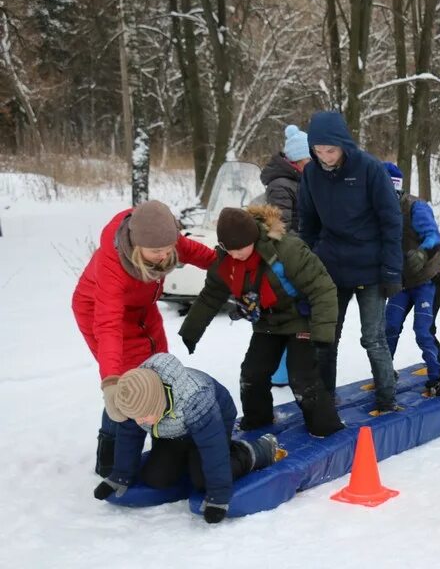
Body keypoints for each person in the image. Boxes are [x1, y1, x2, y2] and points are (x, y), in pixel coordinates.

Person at [72, 200, 216, 478]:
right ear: (136, 246)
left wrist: (230, 268)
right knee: (128, 384)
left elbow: (199, 254)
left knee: (157, 371)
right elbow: (108, 325)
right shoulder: (112, 262)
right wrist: (111, 381)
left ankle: (165, 442)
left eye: (168, 250)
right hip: (99, 311)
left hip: (142, 308)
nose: (163, 257)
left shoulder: (162, 238)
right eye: (155, 252)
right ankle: (111, 458)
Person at [179, 206, 344, 436]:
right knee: (252, 374)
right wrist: (190, 331)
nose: (235, 255)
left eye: (240, 248)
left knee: (302, 379)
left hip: (301, 320)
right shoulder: (226, 262)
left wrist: (323, 334)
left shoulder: (287, 249)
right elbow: (210, 297)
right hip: (268, 324)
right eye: (230, 249)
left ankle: (325, 428)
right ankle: (258, 422)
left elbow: (323, 289)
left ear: (253, 238)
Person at [92, 353, 281, 524]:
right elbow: (128, 437)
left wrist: (218, 495)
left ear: (157, 404)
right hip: (172, 429)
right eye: (135, 417)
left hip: (213, 420)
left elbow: (212, 447)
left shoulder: (195, 398)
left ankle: (252, 450)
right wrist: (120, 476)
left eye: (143, 416)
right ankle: (188, 456)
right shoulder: (134, 397)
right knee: (157, 478)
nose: (139, 421)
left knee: (202, 479)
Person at [297, 111, 402, 413]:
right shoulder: (311, 174)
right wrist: (309, 263)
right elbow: (308, 222)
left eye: (330, 150)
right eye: (318, 151)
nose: (325, 157)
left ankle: (387, 398)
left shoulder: (369, 169)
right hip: (331, 266)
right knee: (326, 337)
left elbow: (391, 221)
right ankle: (325, 399)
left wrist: (392, 270)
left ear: (344, 145)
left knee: (373, 338)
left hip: (370, 267)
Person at [382, 163, 440, 396]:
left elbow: (434, 235)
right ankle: (384, 374)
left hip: (426, 280)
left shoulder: (415, 207)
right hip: (399, 282)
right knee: (389, 326)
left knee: (423, 330)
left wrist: (422, 252)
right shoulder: (375, 212)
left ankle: (437, 378)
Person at [259, 124, 311, 235]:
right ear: (298, 158)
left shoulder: (301, 179)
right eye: (309, 158)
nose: (314, 162)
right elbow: (282, 230)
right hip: (298, 248)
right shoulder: (280, 187)